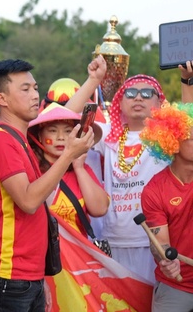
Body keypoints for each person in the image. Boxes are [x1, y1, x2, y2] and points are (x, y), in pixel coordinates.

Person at [0, 59, 96, 311]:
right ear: (2, 99)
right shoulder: (1, 140)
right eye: (25, 89)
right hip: (7, 277)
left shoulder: (20, 139)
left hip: (27, 276)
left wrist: (94, 79)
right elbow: (28, 201)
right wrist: (68, 155)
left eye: (35, 88)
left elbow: (64, 114)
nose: (34, 95)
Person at [66, 73, 169, 282]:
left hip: (154, 242)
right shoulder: (109, 135)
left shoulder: (166, 138)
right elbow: (67, 115)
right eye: (130, 93)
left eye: (147, 93)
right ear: (120, 103)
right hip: (114, 240)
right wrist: (94, 80)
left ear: (159, 102)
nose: (138, 98)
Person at [139, 102, 193, 310]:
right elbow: (160, 243)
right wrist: (165, 259)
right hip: (176, 286)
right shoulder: (155, 190)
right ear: (174, 143)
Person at [27, 103, 109, 235]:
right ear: (40, 137)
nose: (61, 137)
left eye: (68, 131)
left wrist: (79, 168)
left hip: (77, 252)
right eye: (52, 131)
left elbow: (100, 209)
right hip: (42, 252)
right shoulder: (31, 169)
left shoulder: (83, 170)